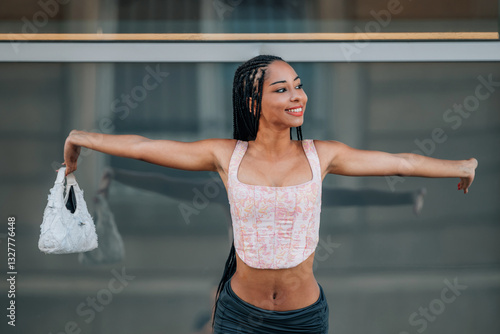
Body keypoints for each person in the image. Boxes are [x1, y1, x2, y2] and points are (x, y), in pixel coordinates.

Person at [63, 55, 478, 333]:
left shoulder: (322, 155)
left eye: (298, 86)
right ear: (252, 100)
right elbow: (144, 147)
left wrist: (460, 167)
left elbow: (401, 163)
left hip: (304, 317)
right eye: (281, 89)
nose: (297, 96)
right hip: (239, 314)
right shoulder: (226, 155)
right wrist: (83, 138)